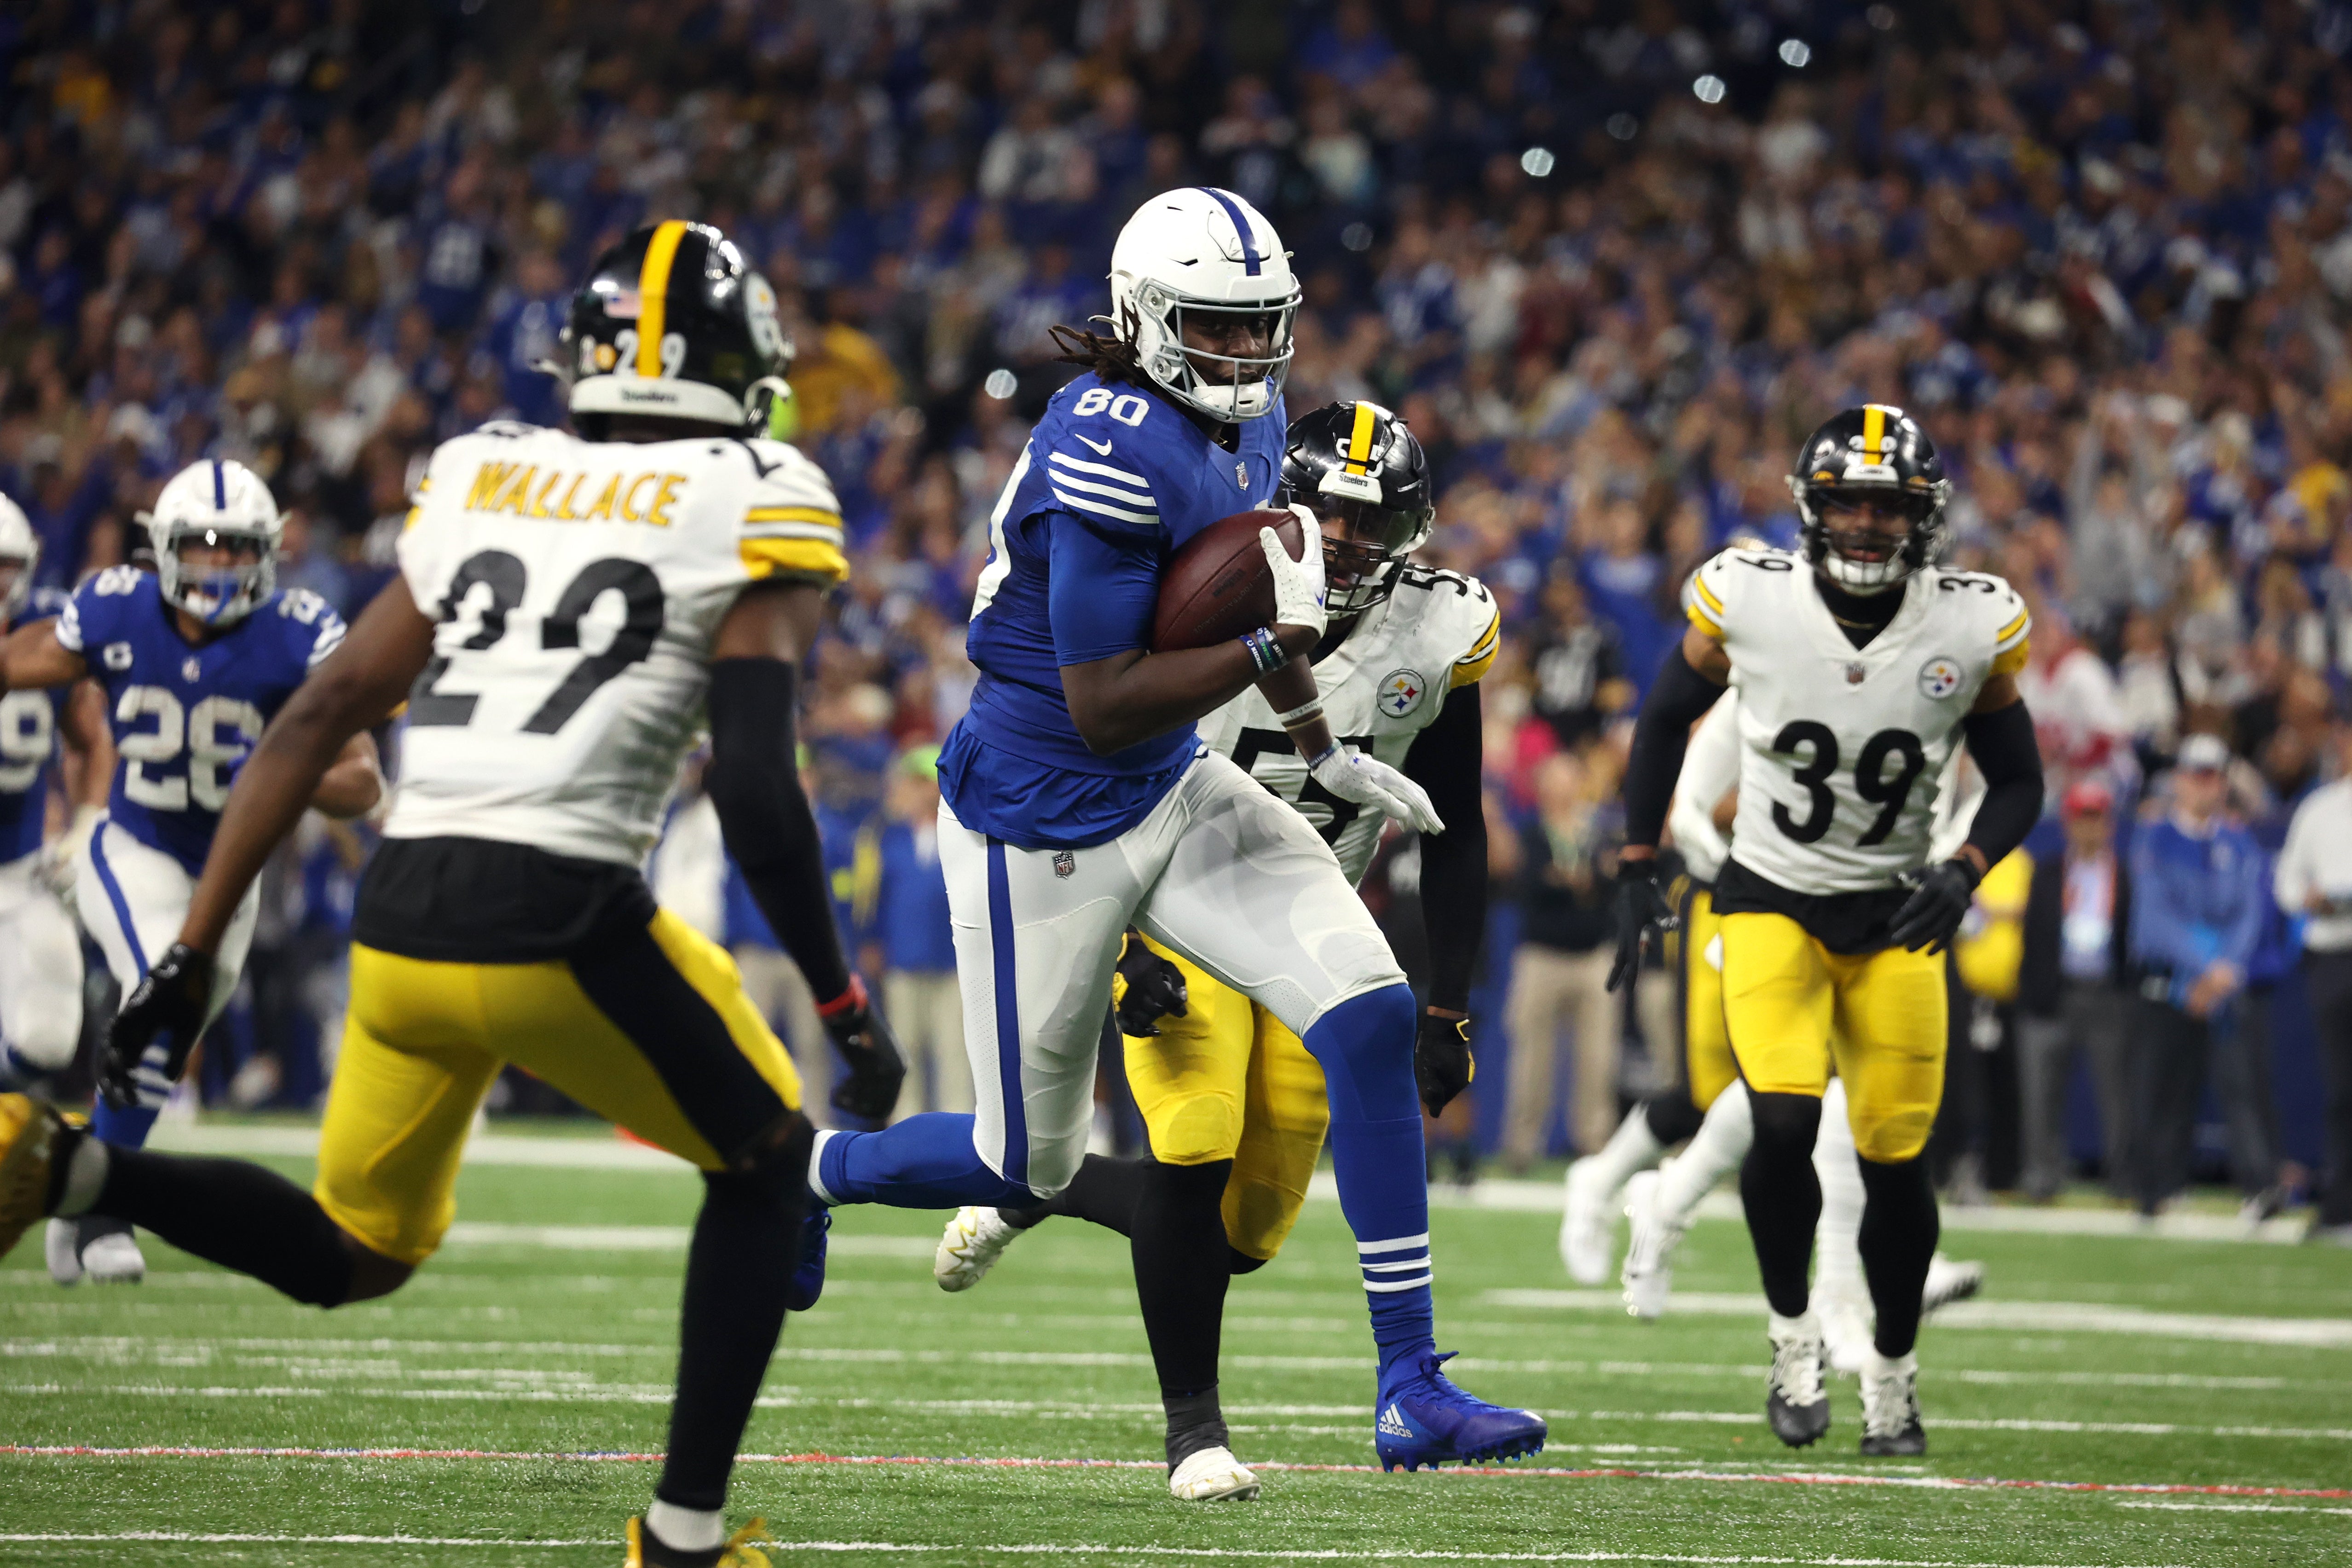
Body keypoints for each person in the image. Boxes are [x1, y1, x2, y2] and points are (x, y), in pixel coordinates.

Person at [0, 220, 907, 1568]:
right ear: (737, 368)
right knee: (771, 1164)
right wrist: (842, 1005)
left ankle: (61, 1159)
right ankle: (683, 1537)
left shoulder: (486, 468)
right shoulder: (754, 488)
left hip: (406, 913)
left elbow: (318, 713)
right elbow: (762, 797)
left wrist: (190, 951)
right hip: (562, 913)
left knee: (350, 1248)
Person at [795, 191, 1544, 1479]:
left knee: (1368, 1012)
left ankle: (1409, 1387)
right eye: (1214, 326)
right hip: (1044, 810)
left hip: (1168, 783)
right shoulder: (1102, 436)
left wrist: (1322, 753)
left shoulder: (1247, 426)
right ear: (1145, 314)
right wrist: (1270, 649)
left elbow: (1239, 647)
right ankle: (809, 1171)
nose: (1246, 357)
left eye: (1262, 328)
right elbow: (1099, 703)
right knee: (1019, 1163)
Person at [925, 401, 1509, 1499]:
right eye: (1326, 514)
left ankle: (1041, 1187)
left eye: (1368, 521)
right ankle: (1194, 1431)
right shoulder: (1200, 579)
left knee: (1246, 1232)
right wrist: (1114, 946)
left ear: (1408, 531)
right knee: (1195, 1145)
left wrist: (1448, 1001)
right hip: (1168, 899)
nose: (1341, 540)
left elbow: (1458, 822)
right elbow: (1100, 766)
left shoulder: (1438, 627)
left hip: (1304, 916)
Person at [1608, 405, 2044, 1457]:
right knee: (1784, 1124)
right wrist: (1636, 859)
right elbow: (1664, 716)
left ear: (1920, 517)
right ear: (1809, 508)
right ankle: (1791, 1331)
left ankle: (1891, 1376)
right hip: (1773, 899)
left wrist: (1965, 866)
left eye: (1885, 504)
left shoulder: (1969, 620)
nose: (1861, 521)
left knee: (1898, 1165)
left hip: (1897, 916)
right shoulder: (1748, 598)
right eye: (1845, 499)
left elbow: (2021, 778)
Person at [0, 458, 383, 1285]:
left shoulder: (297, 629)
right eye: (202, 547)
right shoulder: (117, 606)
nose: (218, 566)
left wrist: (285, 770)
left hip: (232, 872)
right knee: (157, 991)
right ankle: (104, 1208)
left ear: (270, 554)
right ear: (165, 550)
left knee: (168, 1032)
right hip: (131, 845)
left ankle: (84, 1186)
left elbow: (364, 780)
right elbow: (34, 656)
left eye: (237, 549)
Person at [2127, 732, 2277, 1220]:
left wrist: (2221, 971)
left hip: (2220, 986)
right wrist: (2203, 967)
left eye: (2211, 776)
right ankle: (2155, 1189)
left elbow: (2248, 916)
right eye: (2195, 776)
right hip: (2166, 982)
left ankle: (2260, 1186)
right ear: (2180, 781)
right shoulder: (2154, 837)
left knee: (2242, 1086)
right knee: (2161, 1088)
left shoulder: (2237, 844)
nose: (2202, 786)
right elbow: (2153, 917)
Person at [0, 493, 109, 1096]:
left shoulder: (46, 632)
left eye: (4, 565)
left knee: (46, 1040)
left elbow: (92, 739)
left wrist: (87, 821)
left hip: (17, 874)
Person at [2017, 779, 2135, 1202]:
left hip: (2106, 993)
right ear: (2068, 824)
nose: (2089, 829)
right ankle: (2042, 1178)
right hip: (2056, 993)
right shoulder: (2047, 872)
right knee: (2040, 1094)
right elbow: (2032, 937)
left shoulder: (2124, 873)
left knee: (2117, 1094)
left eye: (2096, 819)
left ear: (2109, 824)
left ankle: (2122, 1179)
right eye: (2082, 819)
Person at [1504, 749, 1621, 1175]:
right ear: (1542, 788)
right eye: (1555, 779)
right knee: (1531, 1057)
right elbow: (1532, 883)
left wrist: (1575, 879)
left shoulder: (1598, 830)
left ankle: (1594, 1143)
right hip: (1542, 956)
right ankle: (1522, 1145)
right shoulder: (1534, 832)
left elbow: (1612, 880)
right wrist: (1581, 880)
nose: (1564, 787)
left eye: (1570, 778)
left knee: (1598, 1059)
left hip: (1594, 956)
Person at [2275, 721, 2352, 1243]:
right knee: (2340, 1090)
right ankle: (2339, 1206)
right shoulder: (2318, 807)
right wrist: (2308, 900)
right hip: (2329, 955)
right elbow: (2285, 880)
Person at [867, 745, 971, 1118]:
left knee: (953, 1050)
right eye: (913, 782)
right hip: (903, 958)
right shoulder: (888, 836)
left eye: (924, 782)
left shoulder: (964, 834)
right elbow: (874, 894)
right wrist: (873, 942)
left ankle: (957, 1124)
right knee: (904, 1047)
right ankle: (904, 1125)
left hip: (952, 960)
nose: (917, 791)